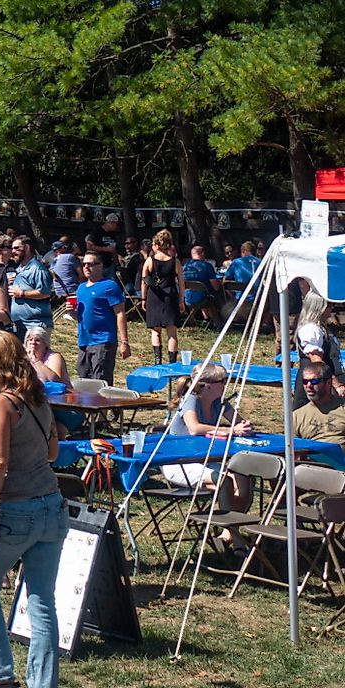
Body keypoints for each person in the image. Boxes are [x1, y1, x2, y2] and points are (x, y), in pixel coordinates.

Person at [0, 331, 67, 688]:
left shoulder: (1, 404)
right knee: (42, 602)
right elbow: (53, 452)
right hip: (52, 506)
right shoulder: (38, 398)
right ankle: (44, 682)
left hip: (15, 510)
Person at [163, 364, 254, 550]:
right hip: (179, 462)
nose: (227, 385)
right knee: (223, 481)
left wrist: (245, 426)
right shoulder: (191, 400)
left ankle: (228, 532)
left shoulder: (219, 402)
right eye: (223, 381)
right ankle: (236, 540)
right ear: (209, 385)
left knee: (243, 478)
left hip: (208, 460)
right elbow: (194, 428)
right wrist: (231, 430)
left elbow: (239, 422)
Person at [74, 251, 130, 384]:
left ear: (101, 266)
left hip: (103, 340)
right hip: (84, 341)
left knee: (100, 380)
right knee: (83, 379)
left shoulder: (109, 286)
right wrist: (72, 313)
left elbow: (120, 313)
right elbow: (81, 317)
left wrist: (124, 342)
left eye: (91, 264)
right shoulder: (81, 288)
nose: (87, 267)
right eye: (84, 264)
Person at [295, 288, 345, 409]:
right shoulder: (310, 329)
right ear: (318, 307)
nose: (332, 308)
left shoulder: (321, 327)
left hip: (326, 380)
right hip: (317, 383)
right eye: (329, 305)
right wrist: (336, 384)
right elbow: (317, 362)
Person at [142, 228, 184, 364]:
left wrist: (143, 298)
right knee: (172, 332)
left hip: (155, 296)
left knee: (156, 330)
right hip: (170, 296)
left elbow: (144, 281)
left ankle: (157, 360)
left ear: (157, 245)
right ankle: (172, 361)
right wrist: (181, 300)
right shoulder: (175, 262)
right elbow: (182, 283)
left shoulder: (150, 260)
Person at [8, 235, 53, 339]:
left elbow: (45, 292)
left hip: (35, 325)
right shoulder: (19, 268)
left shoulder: (37, 269)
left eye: (16, 248)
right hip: (20, 325)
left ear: (27, 248)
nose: (13, 251)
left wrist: (22, 293)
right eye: (12, 248)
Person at [294, 361, 345, 446]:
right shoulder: (296, 417)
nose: (309, 386)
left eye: (314, 381)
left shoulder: (342, 409)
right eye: (305, 381)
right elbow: (292, 449)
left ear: (328, 382)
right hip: (310, 458)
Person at [182, 243, 222, 326]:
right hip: (203, 300)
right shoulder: (207, 266)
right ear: (203, 253)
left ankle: (205, 319)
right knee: (217, 294)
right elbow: (216, 287)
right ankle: (219, 322)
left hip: (187, 299)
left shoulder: (185, 266)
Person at [85, 212, 122, 282]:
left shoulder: (112, 234)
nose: (117, 227)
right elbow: (89, 246)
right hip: (98, 265)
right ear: (111, 223)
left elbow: (113, 250)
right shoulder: (96, 232)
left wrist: (117, 264)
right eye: (117, 224)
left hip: (109, 265)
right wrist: (105, 249)